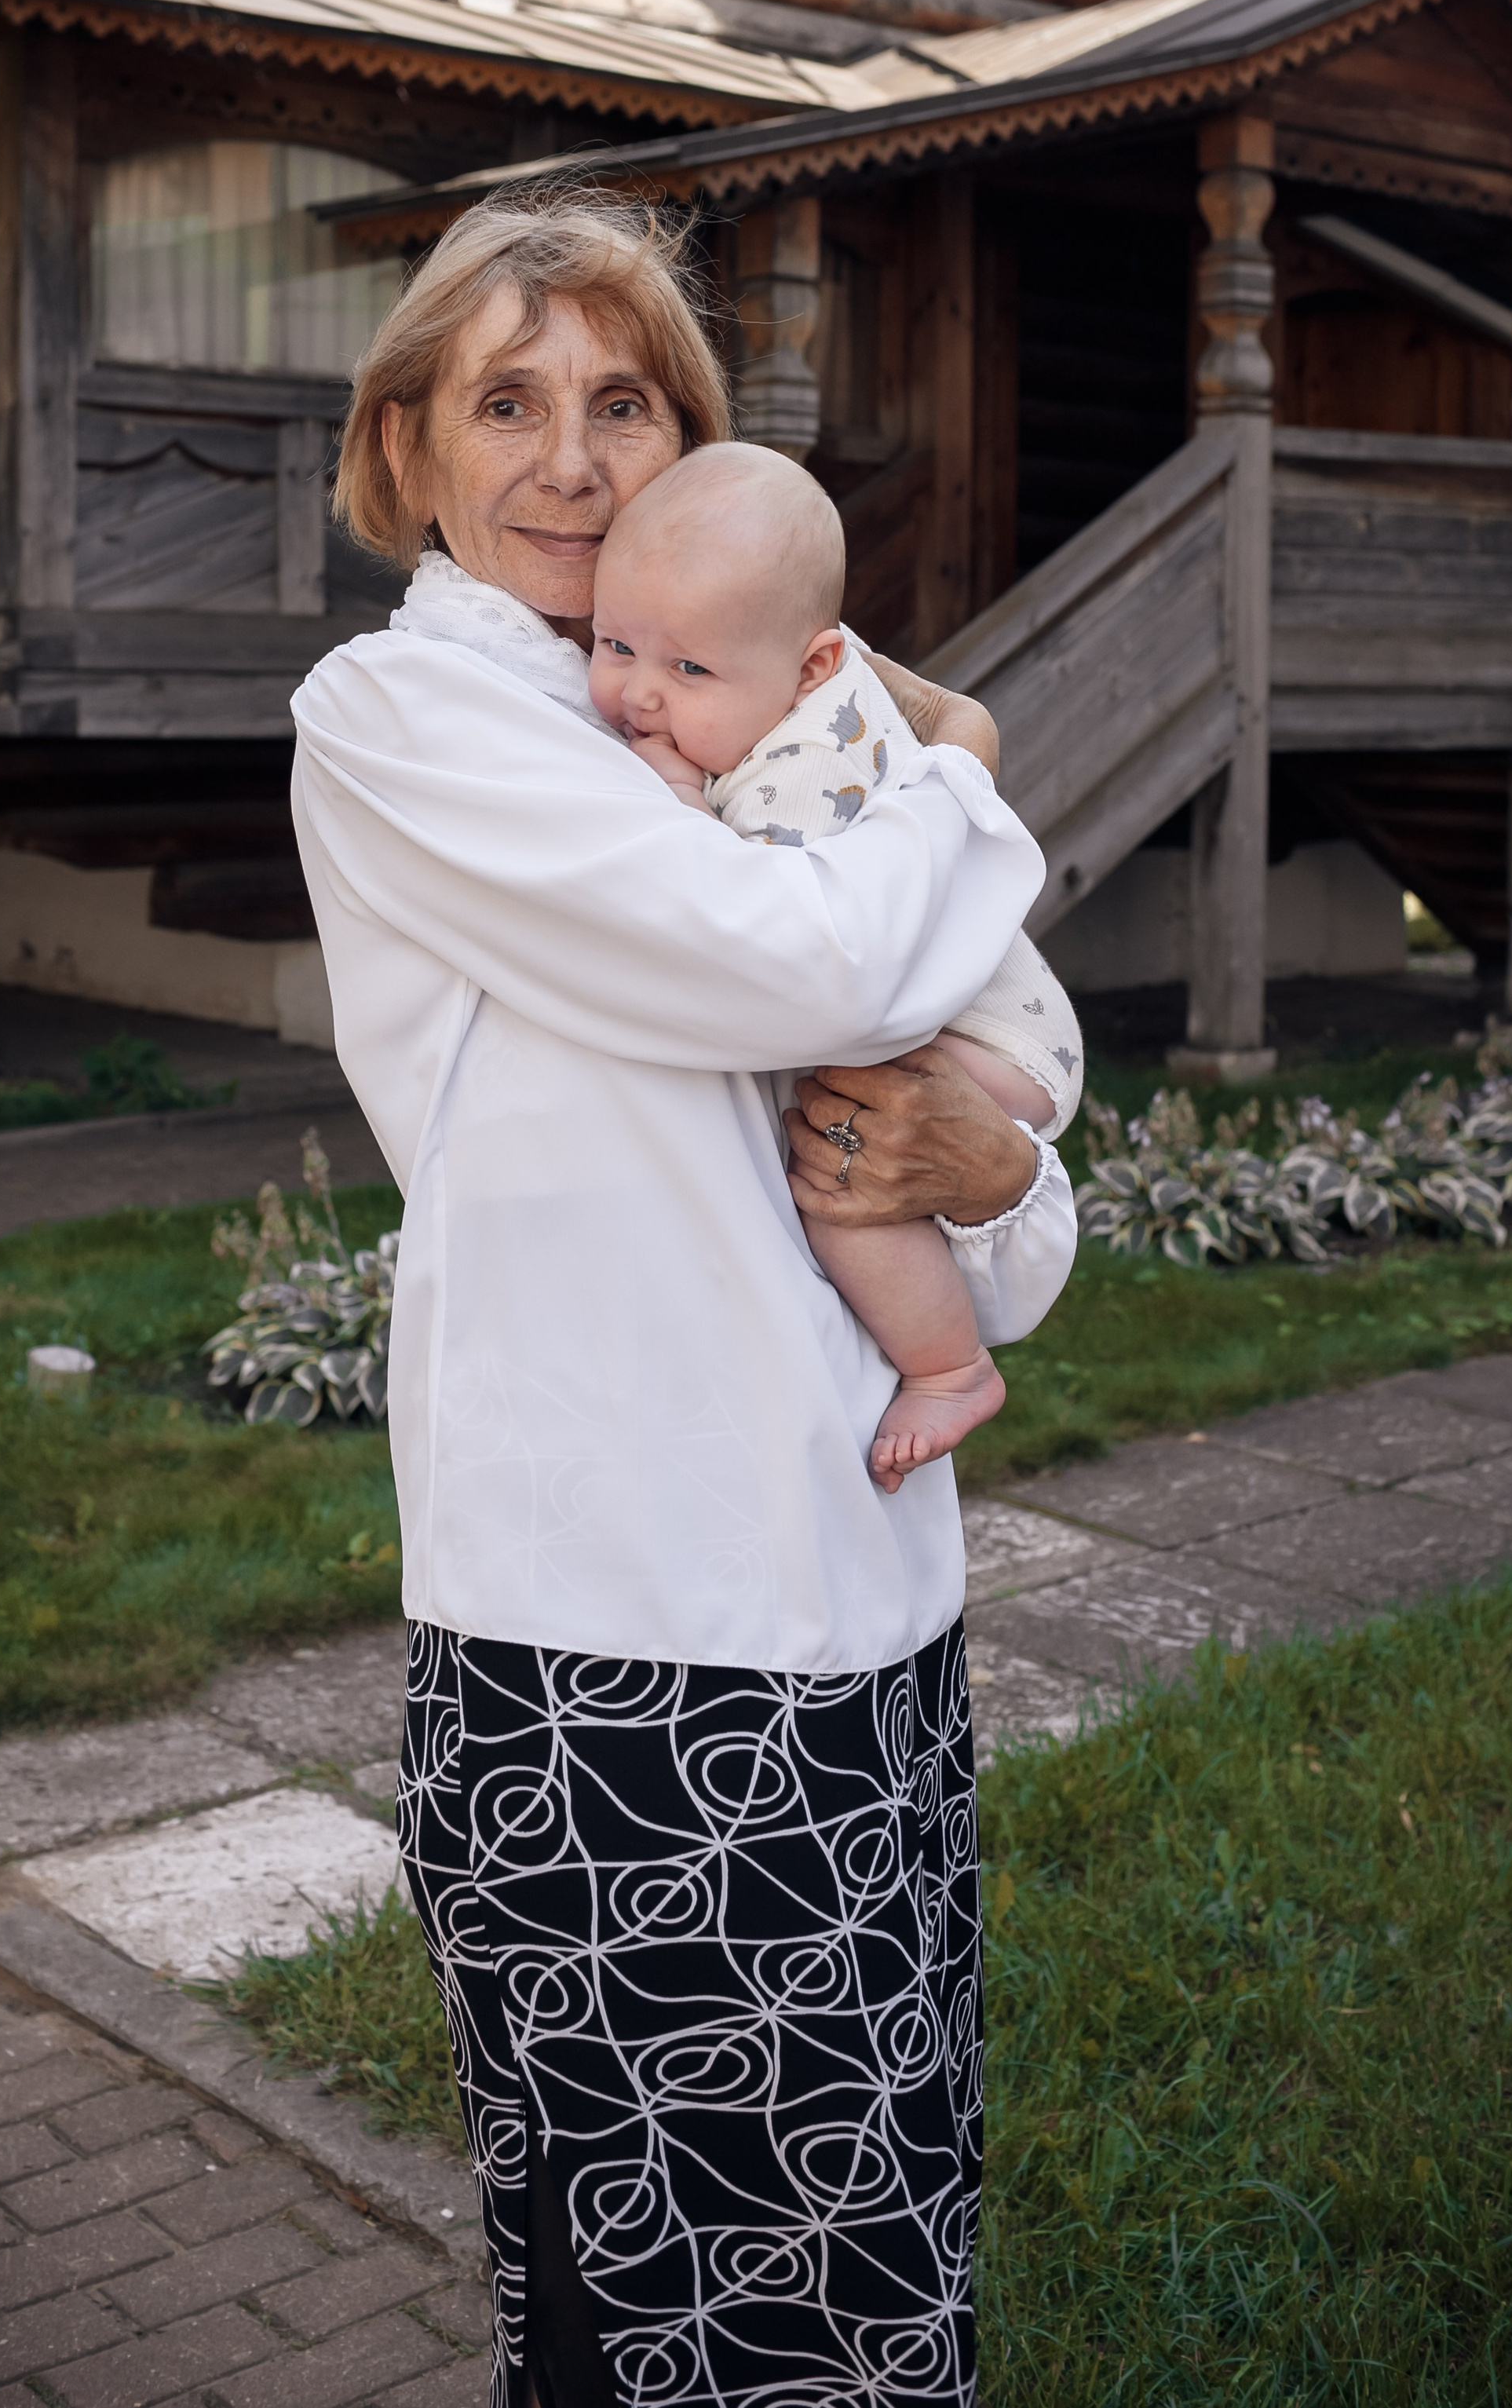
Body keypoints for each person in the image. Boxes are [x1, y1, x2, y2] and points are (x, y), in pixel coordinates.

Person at [290, 194, 1078, 2408]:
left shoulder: (758, 716)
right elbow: (812, 969)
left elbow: (991, 1098)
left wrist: (1002, 1174)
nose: (566, 454)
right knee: (675, 2330)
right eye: (506, 400)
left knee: (875, 2269)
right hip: (615, 1652)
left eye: (620, 399)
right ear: (411, 446)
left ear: (691, 443)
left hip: (867, 1611)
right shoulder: (410, 717)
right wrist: (970, 766)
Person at [587, 440, 1083, 1489]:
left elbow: (782, 953)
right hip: (1000, 1008)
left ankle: (949, 1366)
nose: (637, 693)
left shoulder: (796, 780)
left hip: (1000, 1043)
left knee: (837, 1162)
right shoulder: (797, 687)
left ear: (812, 666)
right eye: (615, 642)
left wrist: (681, 808)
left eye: (687, 669)